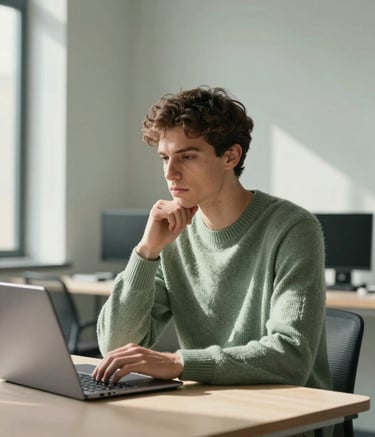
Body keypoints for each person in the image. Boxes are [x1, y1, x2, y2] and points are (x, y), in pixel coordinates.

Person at [93, 86, 331, 394]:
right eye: (164, 157)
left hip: (291, 416)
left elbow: (291, 358)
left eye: (187, 157)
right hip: (208, 405)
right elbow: (115, 347)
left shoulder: (293, 228)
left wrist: (178, 363)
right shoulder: (173, 234)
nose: (170, 173)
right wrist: (147, 252)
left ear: (230, 156)